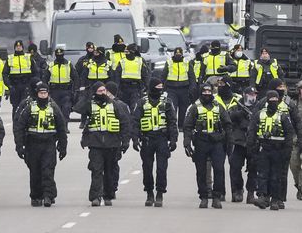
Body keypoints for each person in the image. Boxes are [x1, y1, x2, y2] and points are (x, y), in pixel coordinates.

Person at [14, 82, 68, 207]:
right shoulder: (29, 108)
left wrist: (63, 146)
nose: (43, 95)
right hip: (32, 144)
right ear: (37, 94)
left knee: (47, 170)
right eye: (41, 93)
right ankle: (36, 196)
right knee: (35, 171)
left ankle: (48, 196)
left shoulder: (54, 108)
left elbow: (61, 128)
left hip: (49, 143)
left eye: (45, 93)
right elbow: (20, 127)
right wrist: (19, 146)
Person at [81, 82, 131, 206]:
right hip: (95, 144)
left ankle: (108, 195)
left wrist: (125, 141)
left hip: (112, 144)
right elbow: (77, 108)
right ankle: (95, 197)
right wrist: (88, 96)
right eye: (99, 91)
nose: (103, 93)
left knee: (109, 171)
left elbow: (125, 123)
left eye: (104, 90)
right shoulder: (90, 105)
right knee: (96, 170)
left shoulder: (115, 105)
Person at [131, 78, 177, 207]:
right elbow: (135, 122)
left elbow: (172, 122)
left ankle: (160, 193)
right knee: (147, 168)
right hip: (147, 139)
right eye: (157, 87)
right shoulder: (141, 103)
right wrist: (134, 139)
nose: (160, 89)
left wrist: (173, 140)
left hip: (162, 139)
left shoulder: (167, 103)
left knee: (162, 168)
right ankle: (149, 193)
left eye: (161, 87)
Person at [247, 90, 293, 210]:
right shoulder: (259, 114)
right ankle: (263, 197)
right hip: (264, 148)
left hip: (278, 150)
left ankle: (275, 200)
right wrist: (251, 148)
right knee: (262, 174)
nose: (273, 102)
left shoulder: (283, 116)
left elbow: (289, 134)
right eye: (271, 100)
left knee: (276, 176)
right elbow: (251, 131)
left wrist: (287, 151)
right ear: (267, 101)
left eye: (275, 100)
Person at [183, 82, 227, 209]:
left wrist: (229, 142)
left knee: (219, 169)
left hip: (217, 141)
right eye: (204, 92)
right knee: (201, 171)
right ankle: (203, 197)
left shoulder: (219, 107)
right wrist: (187, 142)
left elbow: (227, 124)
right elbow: (187, 126)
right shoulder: (194, 107)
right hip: (201, 141)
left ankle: (217, 197)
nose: (207, 94)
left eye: (209, 91)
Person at [215, 76, 249, 203]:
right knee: (218, 166)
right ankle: (220, 192)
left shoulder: (239, 99)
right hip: (218, 135)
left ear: (229, 85)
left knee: (234, 166)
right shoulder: (214, 98)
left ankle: (237, 190)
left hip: (234, 137)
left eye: (222, 83)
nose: (220, 86)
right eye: (218, 83)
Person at [6, 40, 41, 109]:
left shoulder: (28, 58)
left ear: (22, 47)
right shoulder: (10, 59)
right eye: (17, 46)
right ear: (14, 48)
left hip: (26, 86)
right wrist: (9, 86)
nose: (18, 48)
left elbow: (35, 72)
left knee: (26, 105)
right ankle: (16, 120)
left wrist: (32, 84)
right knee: (16, 107)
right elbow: (4, 74)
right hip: (15, 86)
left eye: (20, 46)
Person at [46, 48, 77, 122]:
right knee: (55, 109)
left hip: (66, 90)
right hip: (54, 91)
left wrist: (75, 89)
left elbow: (75, 77)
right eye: (57, 55)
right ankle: (57, 126)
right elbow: (45, 78)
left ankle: (65, 126)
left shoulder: (68, 65)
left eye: (61, 55)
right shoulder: (51, 65)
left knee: (66, 109)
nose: (59, 56)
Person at [164, 47, 193, 122]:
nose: (178, 54)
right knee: (172, 107)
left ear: (182, 54)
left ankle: (181, 125)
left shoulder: (186, 62)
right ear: (174, 54)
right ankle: (172, 124)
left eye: (179, 53)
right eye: (176, 53)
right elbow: (164, 75)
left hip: (184, 88)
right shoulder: (169, 62)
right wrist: (163, 88)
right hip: (171, 88)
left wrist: (192, 87)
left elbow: (191, 76)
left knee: (183, 108)